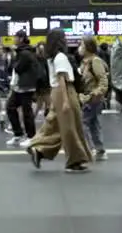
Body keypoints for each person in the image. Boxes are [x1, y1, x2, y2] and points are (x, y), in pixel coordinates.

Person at [25, 30, 91, 173]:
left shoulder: (52, 57)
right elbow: (62, 79)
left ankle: (39, 150)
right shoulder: (61, 57)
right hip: (65, 91)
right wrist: (66, 101)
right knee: (71, 127)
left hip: (57, 92)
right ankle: (74, 161)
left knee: (57, 126)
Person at [78, 36, 108, 161]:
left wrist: (97, 93)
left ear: (88, 47)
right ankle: (99, 149)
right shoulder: (85, 62)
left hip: (92, 98)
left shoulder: (95, 61)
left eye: (82, 45)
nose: (80, 48)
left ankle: (87, 149)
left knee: (83, 123)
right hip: (87, 97)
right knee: (93, 123)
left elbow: (103, 80)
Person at [5, 35, 39, 145]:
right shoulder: (23, 52)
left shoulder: (24, 53)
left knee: (26, 112)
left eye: (15, 37)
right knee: (10, 107)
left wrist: (14, 59)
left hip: (26, 86)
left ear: (21, 39)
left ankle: (31, 136)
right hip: (20, 86)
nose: (13, 39)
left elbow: (18, 68)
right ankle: (18, 134)